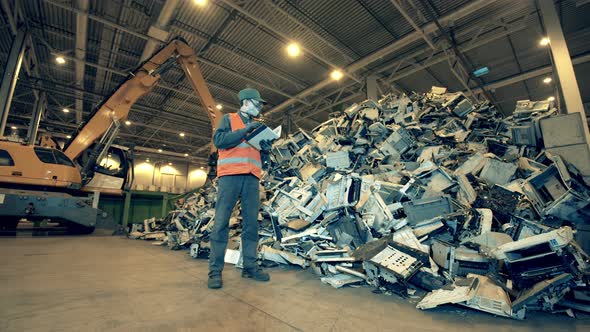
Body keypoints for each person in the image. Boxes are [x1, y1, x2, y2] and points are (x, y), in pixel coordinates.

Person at [208, 88, 274, 289]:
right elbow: (219, 141)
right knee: (221, 223)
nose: (260, 107)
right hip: (230, 176)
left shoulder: (258, 127)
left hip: (251, 178)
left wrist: (265, 149)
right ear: (246, 102)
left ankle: (250, 267)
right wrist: (246, 131)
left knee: (251, 224)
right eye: (258, 103)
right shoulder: (228, 119)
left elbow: (257, 155)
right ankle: (214, 272)